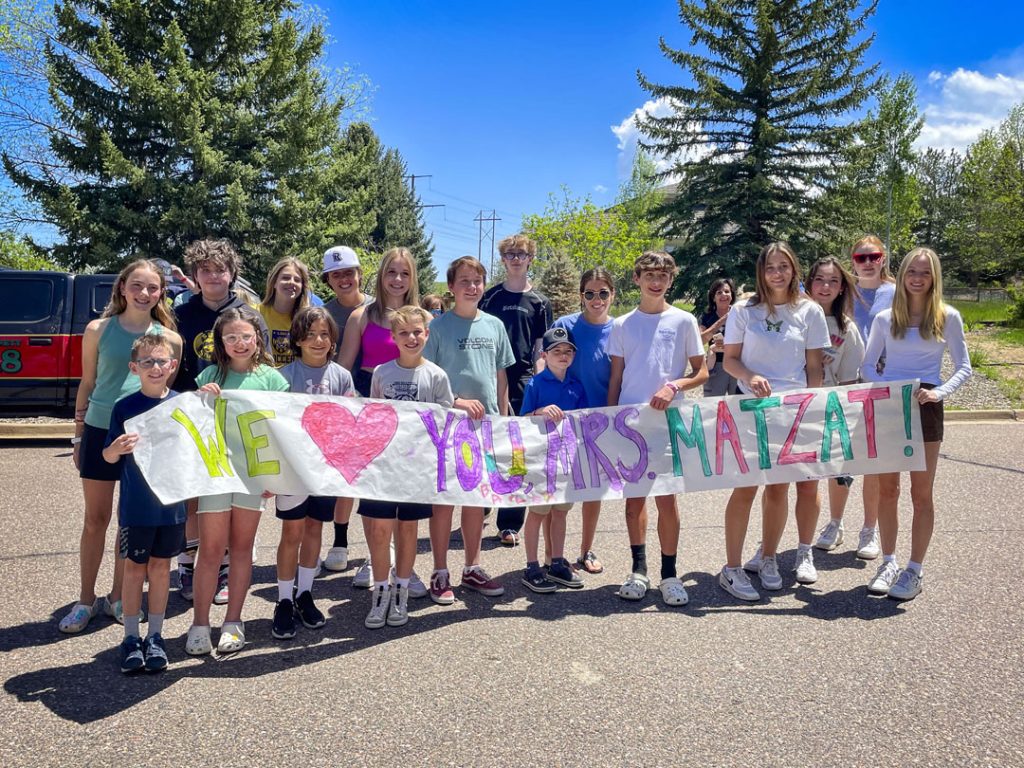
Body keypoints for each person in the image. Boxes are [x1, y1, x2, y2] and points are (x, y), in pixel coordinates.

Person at [60, 260, 182, 634]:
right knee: (96, 519)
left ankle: (117, 596)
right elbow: (88, 383)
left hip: (144, 439)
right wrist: (79, 436)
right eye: (137, 286)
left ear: (162, 292)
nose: (144, 294)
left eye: (152, 288)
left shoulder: (169, 339)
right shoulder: (98, 330)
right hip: (100, 429)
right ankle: (85, 600)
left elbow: (161, 394)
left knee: (128, 520)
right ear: (123, 288)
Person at [717, 242, 828, 602]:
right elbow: (730, 361)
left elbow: (813, 366)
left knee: (778, 488)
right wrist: (750, 377)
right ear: (761, 273)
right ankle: (731, 568)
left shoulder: (810, 312)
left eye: (784, 266)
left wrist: (814, 407)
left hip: (793, 411)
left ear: (794, 270)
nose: (777, 273)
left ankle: (768, 558)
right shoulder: (743, 311)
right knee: (746, 487)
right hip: (750, 410)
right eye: (770, 268)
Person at [861, 247, 971, 601]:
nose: (918, 279)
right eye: (912, 272)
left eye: (925, 273)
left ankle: (914, 569)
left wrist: (940, 393)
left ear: (934, 277)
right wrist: (883, 392)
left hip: (926, 404)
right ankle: (889, 562)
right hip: (890, 404)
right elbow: (866, 366)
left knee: (921, 495)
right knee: (888, 491)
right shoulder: (883, 319)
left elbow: (963, 367)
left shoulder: (947, 316)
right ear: (902, 275)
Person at [185, 307, 289, 656]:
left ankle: (233, 622)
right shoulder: (209, 377)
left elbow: (281, 430)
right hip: (214, 474)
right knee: (211, 550)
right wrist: (201, 401)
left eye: (246, 336)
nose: (239, 343)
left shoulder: (272, 380)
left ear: (257, 338)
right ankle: (200, 624)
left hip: (251, 475)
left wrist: (274, 474)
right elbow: (192, 425)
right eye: (231, 337)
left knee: (242, 549)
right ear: (221, 343)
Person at [173, 238, 270, 604]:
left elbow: (265, 367)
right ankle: (187, 562)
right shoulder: (180, 314)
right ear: (195, 275)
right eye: (206, 270)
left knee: (232, 497)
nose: (214, 276)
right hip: (192, 412)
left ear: (232, 273)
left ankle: (226, 567)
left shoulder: (248, 314)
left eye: (220, 269)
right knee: (193, 494)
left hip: (237, 422)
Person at [607, 251, 707, 606]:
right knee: (634, 504)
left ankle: (669, 573)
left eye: (663, 275)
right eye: (649, 274)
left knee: (667, 499)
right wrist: (610, 423)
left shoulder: (684, 321)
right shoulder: (621, 325)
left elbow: (701, 371)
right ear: (636, 278)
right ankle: (638, 570)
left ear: (670, 280)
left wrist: (675, 385)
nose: (656, 280)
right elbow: (616, 377)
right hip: (632, 425)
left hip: (668, 422)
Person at [423, 256, 515, 603]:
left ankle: (473, 567)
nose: (472, 287)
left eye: (477, 280)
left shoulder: (494, 326)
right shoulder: (439, 328)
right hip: (448, 425)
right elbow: (429, 379)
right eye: (464, 281)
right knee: (445, 501)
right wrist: (457, 401)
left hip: (485, 424)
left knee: (477, 498)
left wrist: (502, 417)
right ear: (451, 287)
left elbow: (501, 375)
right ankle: (440, 571)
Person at [337, 247, 426, 595]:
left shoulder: (424, 319)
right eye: (392, 272)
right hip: (369, 403)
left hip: (410, 408)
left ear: (412, 278)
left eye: (405, 273)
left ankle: (406, 568)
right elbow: (344, 367)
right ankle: (374, 558)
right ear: (381, 275)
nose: (398, 280)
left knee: (404, 490)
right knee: (372, 487)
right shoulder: (361, 316)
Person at [363, 305, 455, 627]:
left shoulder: (436, 376)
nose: (411, 338)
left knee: (408, 528)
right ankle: (381, 591)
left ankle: (401, 591)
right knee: (379, 528)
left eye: (417, 332)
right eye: (404, 333)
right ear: (393, 338)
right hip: (384, 467)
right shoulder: (381, 373)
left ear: (427, 334)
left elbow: (445, 421)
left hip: (417, 467)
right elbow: (373, 417)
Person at [101, 334, 186, 673]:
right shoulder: (124, 407)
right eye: (147, 362)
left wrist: (210, 400)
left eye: (161, 361)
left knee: (162, 570)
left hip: (172, 507)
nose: (155, 368)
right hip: (137, 507)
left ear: (173, 366)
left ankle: (156, 636)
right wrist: (115, 449)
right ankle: (131, 637)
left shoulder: (183, 404)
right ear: (134, 368)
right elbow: (106, 456)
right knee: (134, 571)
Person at [272, 307, 356, 640]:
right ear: (297, 340)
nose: (318, 341)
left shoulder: (341, 377)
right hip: (293, 470)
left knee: (313, 530)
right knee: (291, 533)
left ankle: (305, 593)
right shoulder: (283, 376)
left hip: (326, 470)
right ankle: (282, 599)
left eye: (324, 334)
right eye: (310, 335)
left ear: (333, 340)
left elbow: (350, 422)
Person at [480, 234, 552, 546]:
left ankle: (509, 522)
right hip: (488, 374)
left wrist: (541, 385)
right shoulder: (490, 297)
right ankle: (479, 506)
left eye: (521, 254)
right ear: (503, 259)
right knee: (485, 445)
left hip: (522, 377)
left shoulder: (540, 302)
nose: (515, 259)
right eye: (509, 254)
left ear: (530, 258)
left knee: (517, 451)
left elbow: (541, 349)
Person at [550, 267, 616, 574]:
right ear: (581, 296)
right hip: (565, 423)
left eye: (603, 293)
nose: (596, 299)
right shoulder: (565, 326)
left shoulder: (619, 330)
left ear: (612, 295)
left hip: (601, 422)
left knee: (593, 490)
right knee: (560, 492)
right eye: (590, 293)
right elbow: (547, 364)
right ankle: (554, 554)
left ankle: (586, 550)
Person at [840, 235, 897, 560]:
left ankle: (869, 529)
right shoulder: (846, 292)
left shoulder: (895, 292)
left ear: (883, 257)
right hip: (847, 382)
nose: (868, 262)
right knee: (841, 459)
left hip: (882, 382)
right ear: (853, 260)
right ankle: (834, 522)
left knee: (875, 462)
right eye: (861, 257)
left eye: (873, 256)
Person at [805, 258, 866, 554]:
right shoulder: (794, 319)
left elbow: (849, 379)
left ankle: (836, 522)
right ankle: (772, 539)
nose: (825, 286)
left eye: (833, 281)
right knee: (794, 479)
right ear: (808, 283)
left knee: (836, 471)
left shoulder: (847, 328)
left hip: (831, 407)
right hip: (796, 407)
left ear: (842, 287)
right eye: (819, 279)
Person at [319, 245, 374, 574]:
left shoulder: (376, 308)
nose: (344, 279)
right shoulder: (323, 314)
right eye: (336, 274)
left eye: (349, 272)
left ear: (359, 274)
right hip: (339, 404)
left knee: (371, 481)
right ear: (328, 279)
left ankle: (374, 551)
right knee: (342, 479)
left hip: (373, 400)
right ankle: (340, 541)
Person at [519, 327, 587, 593]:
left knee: (561, 512)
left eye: (568, 351)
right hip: (541, 461)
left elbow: (584, 420)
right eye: (556, 351)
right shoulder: (535, 384)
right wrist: (539, 411)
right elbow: (522, 420)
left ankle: (557, 561)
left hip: (566, 460)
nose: (563, 356)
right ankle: (532, 565)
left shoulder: (576, 386)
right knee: (537, 514)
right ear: (545, 355)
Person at [257, 257, 312, 368]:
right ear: (274, 283)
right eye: (285, 278)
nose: (291, 282)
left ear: (302, 287)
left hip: (296, 381)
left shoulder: (307, 320)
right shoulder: (255, 313)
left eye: (297, 280)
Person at [699, 277, 739, 397]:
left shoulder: (740, 314)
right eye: (719, 292)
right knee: (713, 407)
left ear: (732, 295)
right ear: (713, 297)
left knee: (740, 406)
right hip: (715, 366)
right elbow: (701, 340)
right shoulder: (706, 316)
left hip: (738, 365)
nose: (723, 295)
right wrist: (723, 320)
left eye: (727, 291)